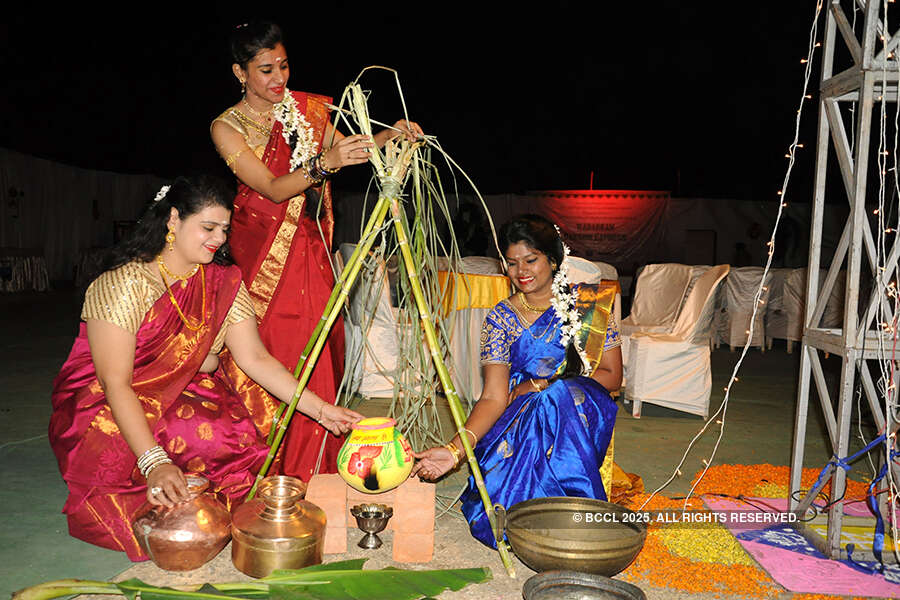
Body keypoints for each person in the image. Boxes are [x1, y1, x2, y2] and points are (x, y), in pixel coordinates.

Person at [49, 176, 362, 560]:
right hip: (108, 402)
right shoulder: (125, 283)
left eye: (224, 230)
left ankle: (201, 501)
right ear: (173, 220)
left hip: (185, 389)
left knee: (234, 434)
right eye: (208, 227)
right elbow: (115, 384)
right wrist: (155, 463)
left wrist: (323, 411)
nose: (218, 238)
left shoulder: (221, 281)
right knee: (185, 440)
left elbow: (255, 359)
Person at [210, 21, 422, 481]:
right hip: (261, 252)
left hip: (310, 245)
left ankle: (315, 466)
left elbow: (347, 150)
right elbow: (269, 186)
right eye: (265, 69)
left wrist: (390, 137)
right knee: (270, 347)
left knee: (316, 349)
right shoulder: (226, 127)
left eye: (283, 65)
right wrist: (325, 163)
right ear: (239, 72)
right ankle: (263, 465)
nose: (278, 78)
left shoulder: (308, 108)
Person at [411, 215, 623, 548]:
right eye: (511, 263)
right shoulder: (500, 317)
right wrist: (455, 451)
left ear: (553, 260)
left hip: (582, 408)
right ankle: (547, 513)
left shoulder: (588, 307)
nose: (521, 271)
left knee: (560, 396)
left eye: (531, 260)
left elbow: (612, 377)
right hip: (519, 414)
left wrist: (545, 385)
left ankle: (574, 505)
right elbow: (494, 397)